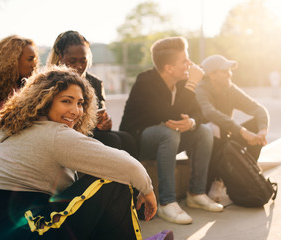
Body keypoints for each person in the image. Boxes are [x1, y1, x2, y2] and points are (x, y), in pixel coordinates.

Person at [0, 66, 157, 240]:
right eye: (66, 101)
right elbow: (127, 166)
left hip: (4, 230)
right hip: (25, 230)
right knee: (112, 182)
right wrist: (147, 191)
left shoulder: (24, 128)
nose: (76, 111)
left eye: (80, 103)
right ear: (44, 100)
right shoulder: (53, 134)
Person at [120, 36, 223, 225]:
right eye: (184, 61)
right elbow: (171, 117)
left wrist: (192, 122)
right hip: (139, 142)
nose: (190, 64)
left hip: (168, 140)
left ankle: (196, 193)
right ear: (169, 68)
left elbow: (201, 114)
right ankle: (166, 202)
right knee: (170, 131)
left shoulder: (182, 82)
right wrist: (192, 83)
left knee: (204, 132)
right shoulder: (146, 82)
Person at [47, 30, 137, 157]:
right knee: (112, 141)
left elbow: (100, 114)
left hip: (91, 131)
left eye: (83, 61)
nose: (78, 66)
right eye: (72, 61)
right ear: (60, 57)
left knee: (128, 139)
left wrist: (106, 123)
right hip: (64, 131)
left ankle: (129, 176)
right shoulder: (50, 82)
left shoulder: (94, 82)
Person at [195, 55, 269, 201]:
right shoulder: (201, 88)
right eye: (224, 70)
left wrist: (262, 132)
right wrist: (242, 131)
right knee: (216, 127)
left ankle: (248, 173)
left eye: (230, 70)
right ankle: (217, 180)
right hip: (204, 142)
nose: (229, 73)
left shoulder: (229, 88)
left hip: (225, 139)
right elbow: (210, 113)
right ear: (212, 75)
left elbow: (258, 109)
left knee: (254, 126)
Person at [0, 35, 38, 172]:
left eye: (35, 58)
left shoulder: (24, 85)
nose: (34, 64)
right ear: (12, 61)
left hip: (11, 142)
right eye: (30, 59)